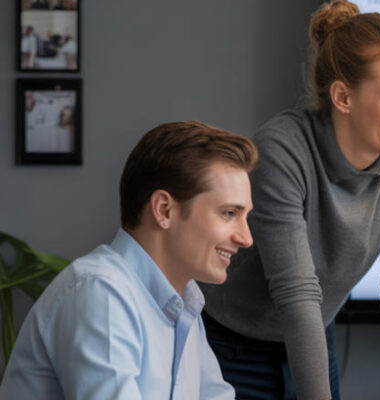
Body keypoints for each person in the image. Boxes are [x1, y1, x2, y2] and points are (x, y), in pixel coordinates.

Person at [198, 1, 380, 399]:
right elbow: (296, 291)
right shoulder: (281, 151)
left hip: (312, 334)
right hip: (230, 345)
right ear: (343, 97)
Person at [0, 121, 257, 399]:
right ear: (164, 210)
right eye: (229, 213)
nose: (246, 238)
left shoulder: (184, 305)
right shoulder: (101, 293)